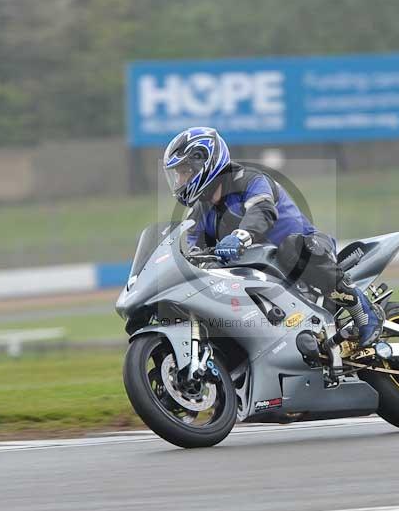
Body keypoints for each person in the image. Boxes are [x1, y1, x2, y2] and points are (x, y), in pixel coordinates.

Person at [163, 127, 382, 348]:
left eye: (184, 172)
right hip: (258, 273)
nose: (180, 180)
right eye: (178, 174)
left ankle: (362, 310)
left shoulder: (250, 179)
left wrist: (240, 236)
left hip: (306, 249)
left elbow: (262, 210)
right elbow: (191, 251)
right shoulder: (199, 212)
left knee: (292, 248)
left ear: (204, 164)